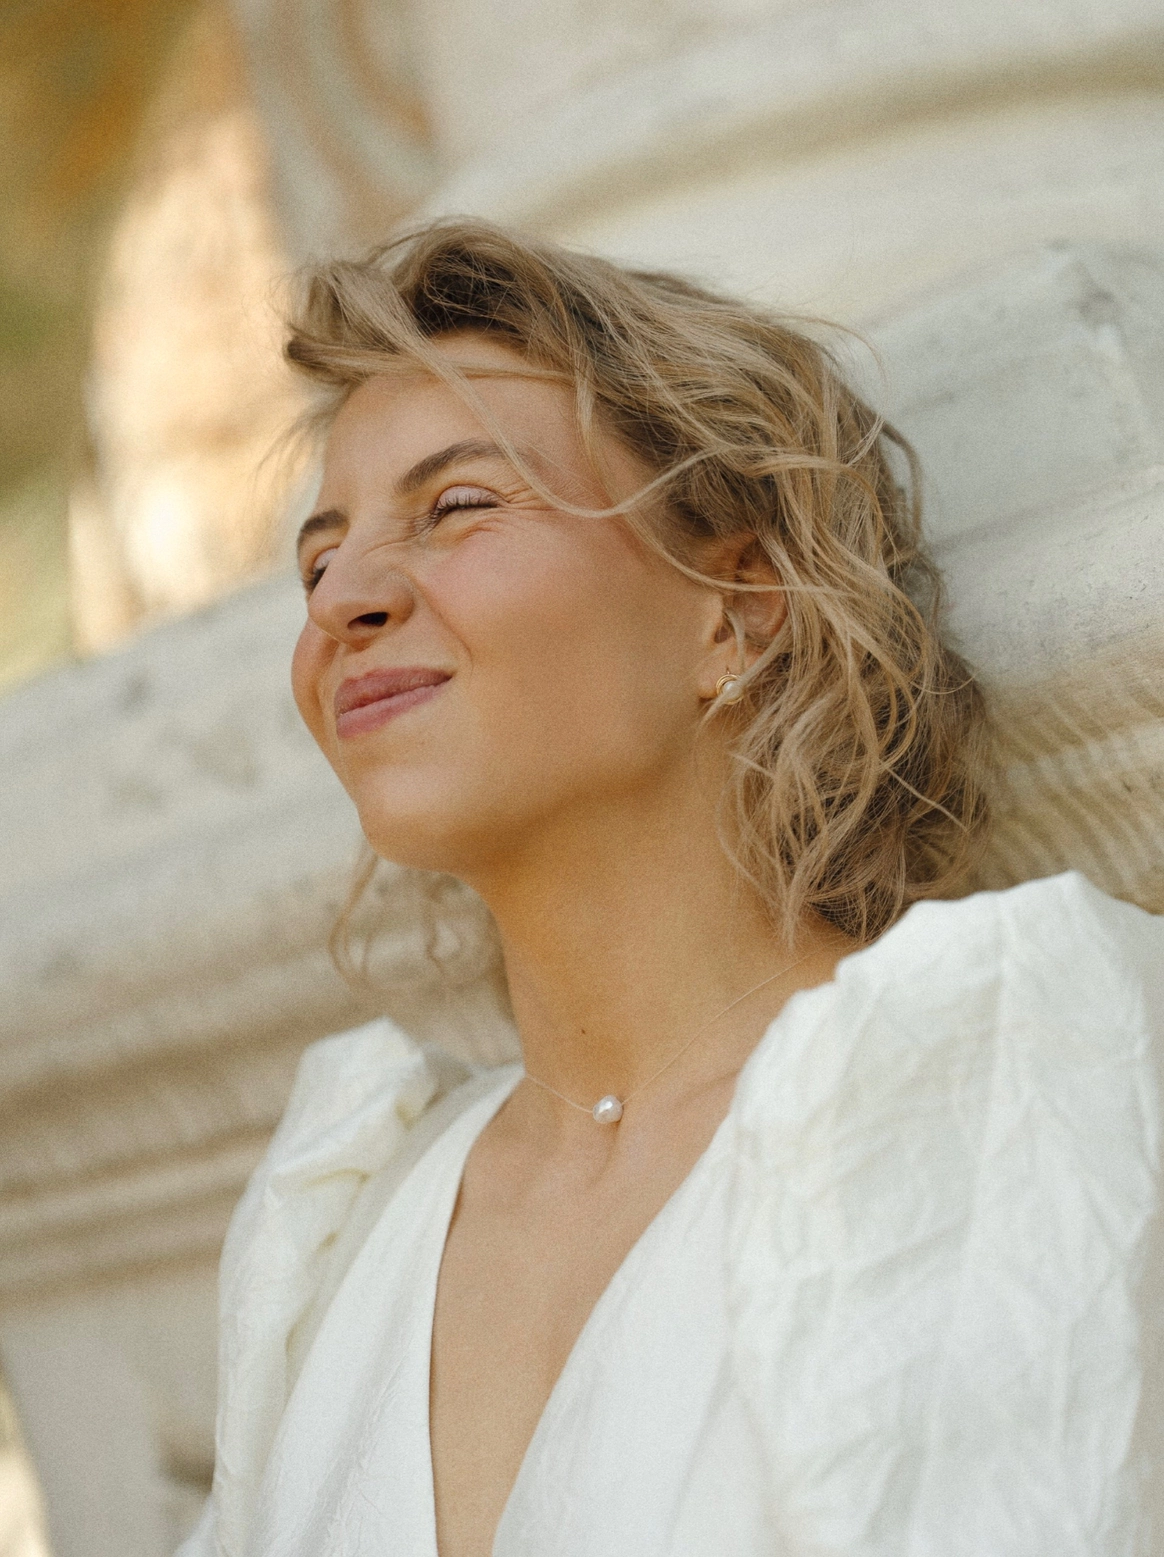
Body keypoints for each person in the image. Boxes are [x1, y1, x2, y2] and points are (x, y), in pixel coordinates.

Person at [179, 222, 1164, 1557]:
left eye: (458, 505)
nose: (339, 599)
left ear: (737, 604)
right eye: (317, 559)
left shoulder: (1023, 1075)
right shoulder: (337, 1226)